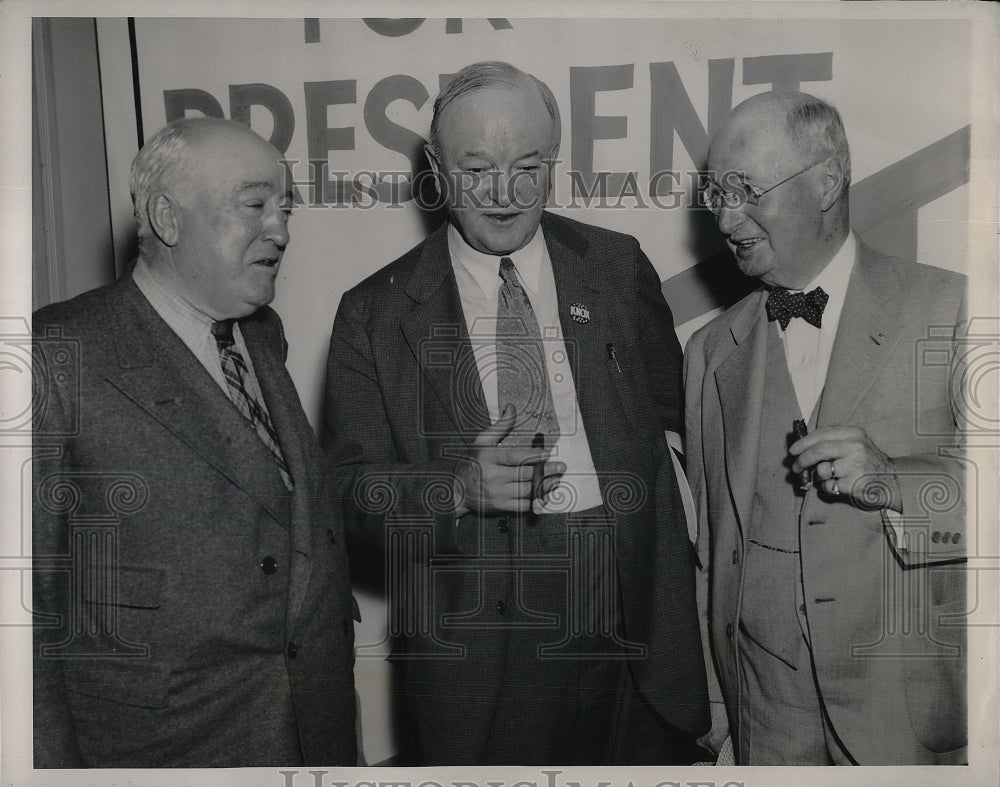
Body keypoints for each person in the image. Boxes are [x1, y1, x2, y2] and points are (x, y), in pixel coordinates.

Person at [323, 61, 709, 765]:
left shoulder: (618, 265)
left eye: (528, 167)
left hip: (635, 625)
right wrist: (457, 489)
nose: (505, 193)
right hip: (481, 646)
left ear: (554, 162)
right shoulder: (373, 313)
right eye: (476, 170)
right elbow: (347, 496)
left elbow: (676, 420)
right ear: (436, 169)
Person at [32, 117, 358, 768]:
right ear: (167, 217)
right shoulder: (54, 355)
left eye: (286, 208)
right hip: (171, 752)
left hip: (314, 732)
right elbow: (22, 618)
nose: (281, 229)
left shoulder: (261, 334)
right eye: (255, 205)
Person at [685, 91, 967, 765]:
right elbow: (709, 552)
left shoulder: (955, 307)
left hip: (905, 715)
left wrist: (895, 480)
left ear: (827, 181)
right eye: (717, 194)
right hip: (764, 722)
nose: (726, 218)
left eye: (745, 191)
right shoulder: (707, 352)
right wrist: (716, 712)